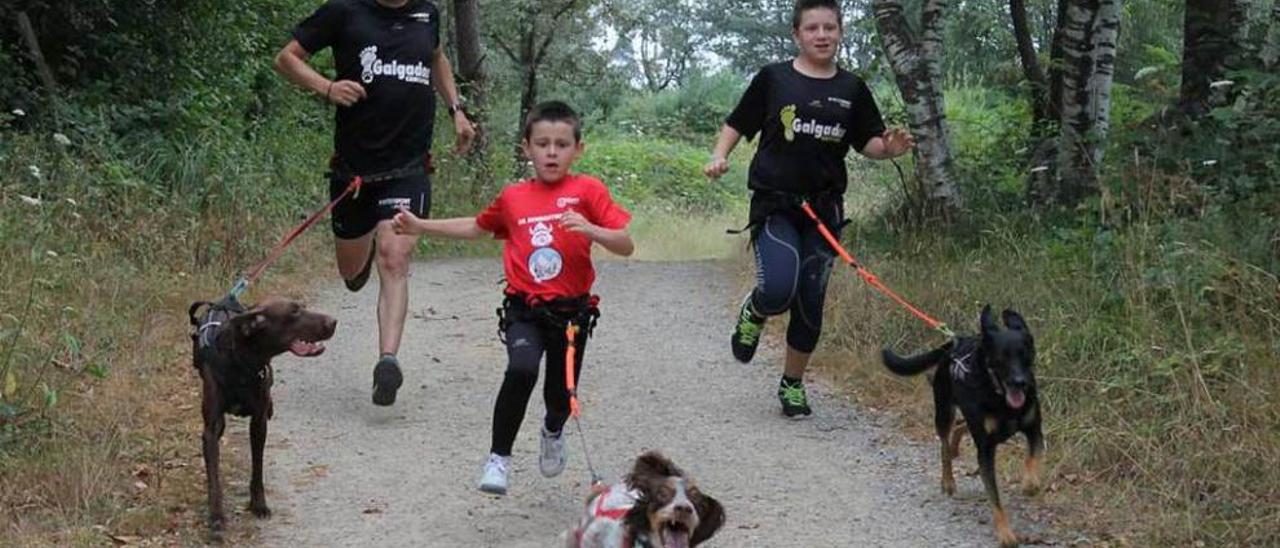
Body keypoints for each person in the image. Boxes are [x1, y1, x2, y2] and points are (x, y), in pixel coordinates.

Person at [392, 101, 634, 495]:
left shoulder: (589, 191)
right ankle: (498, 460)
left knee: (559, 395)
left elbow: (625, 244)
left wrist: (592, 229)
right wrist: (421, 225)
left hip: (572, 314)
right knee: (521, 370)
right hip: (525, 308)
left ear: (578, 149)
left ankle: (552, 430)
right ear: (526, 148)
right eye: (542, 143)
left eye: (561, 144)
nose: (551, 152)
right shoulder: (514, 197)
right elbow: (476, 226)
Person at [704, 0, 914, 418]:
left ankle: (793, 384)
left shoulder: (852, 88)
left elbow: (869, 142)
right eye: (813, 28)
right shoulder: (774, 78)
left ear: (840, 32)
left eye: (830, 28)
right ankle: (756, 309)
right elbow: (738, 122)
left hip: (824, 208)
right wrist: (719, 155)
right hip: (776, 203)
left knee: (811, 298)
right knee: (779, 287)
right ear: (796, 34)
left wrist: (889, 149)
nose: (822, 35)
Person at [274, 0, 475, 406]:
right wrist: (327, 88)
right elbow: (287, 58)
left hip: (408, 167)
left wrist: (456, 109)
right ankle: (358, 263)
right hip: (354, 172)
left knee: (394, 257)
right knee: (352, 273)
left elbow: (437, 57)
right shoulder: (344, 11)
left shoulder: (428, 14)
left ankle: (387, 360)